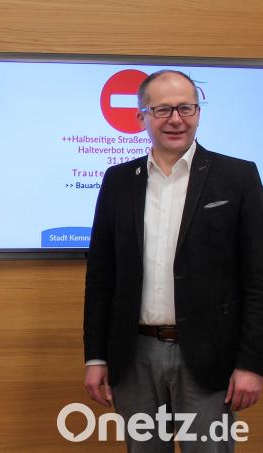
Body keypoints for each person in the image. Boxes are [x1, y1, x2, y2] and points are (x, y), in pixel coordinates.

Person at [83, 70, 263, 451]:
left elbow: (257, 278)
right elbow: (101, 277)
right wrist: (95, 357)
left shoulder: (238, 177)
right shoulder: (118, 180)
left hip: (209, 358)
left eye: (186, 107)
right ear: (141, 117)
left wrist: (250, 363)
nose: (176, 119)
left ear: (198, 112)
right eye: (162, 109)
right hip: (134, 356)